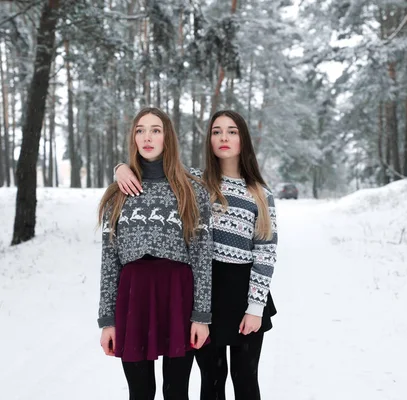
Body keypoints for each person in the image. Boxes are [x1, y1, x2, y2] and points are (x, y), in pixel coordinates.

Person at [114, 110, 278, 400]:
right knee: (211, 380)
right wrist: (120, 168)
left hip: (246, 293)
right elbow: (157, 167)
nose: (224, 137)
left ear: (244, 139)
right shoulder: (194, 182)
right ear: (209, 139)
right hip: (205, 291)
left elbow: (266, 252)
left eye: (232, 131)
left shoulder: (261, 194)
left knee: (246, 381)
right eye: (216, 131)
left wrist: (255, 306)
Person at [97, 107, 213, 400]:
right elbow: (110, 260)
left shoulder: (191, 188)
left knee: (176, 392)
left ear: (167, 138)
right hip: (134, 295)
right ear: (133, 138)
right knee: (140, 392)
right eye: (140, 130)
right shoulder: (119, 192)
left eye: (156, 130)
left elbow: (202, 254)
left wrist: (201, 315)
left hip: (178, 296)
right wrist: (107, 321)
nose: (147, 137)